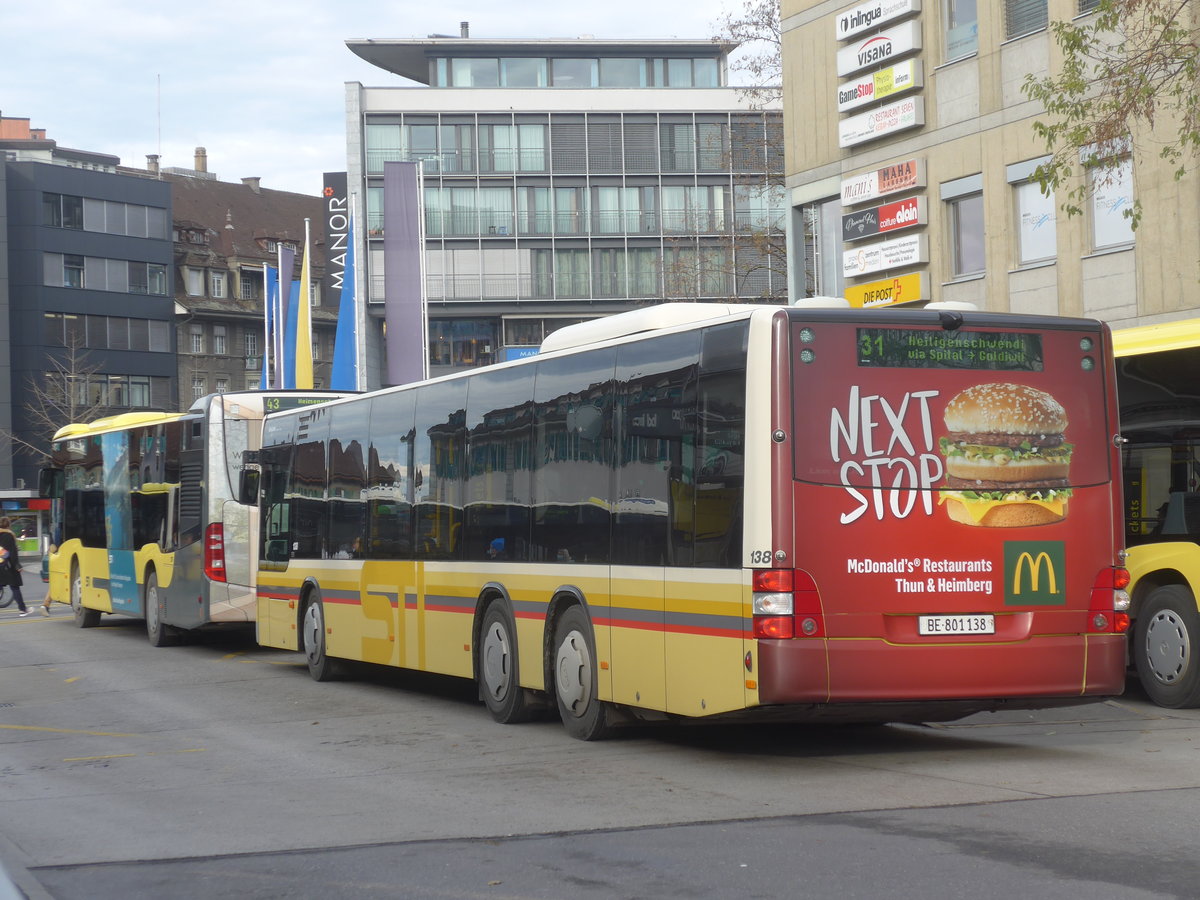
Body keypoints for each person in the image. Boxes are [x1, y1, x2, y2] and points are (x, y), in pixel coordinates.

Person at [0, 518, 29, 616]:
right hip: (8, 566)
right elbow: (12, 553)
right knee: (15, 587)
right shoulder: (9, 535)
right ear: (8, 525)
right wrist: (17, 565)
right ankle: (22, 609)